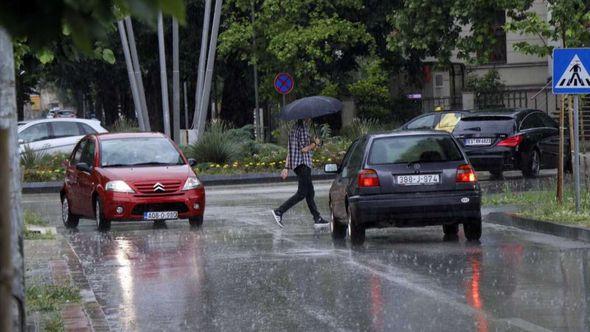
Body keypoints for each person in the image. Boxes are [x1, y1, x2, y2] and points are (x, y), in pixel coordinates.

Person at [271, 118, 328, 228]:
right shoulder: (302, 129)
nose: (310, 118)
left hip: (298, 165)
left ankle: (317, 217)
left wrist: (286, 167)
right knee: (302, 193)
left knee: (310, 193)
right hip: (303, 165)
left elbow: (291, 150)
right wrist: (315, 143)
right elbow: (304, 149)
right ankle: (279, 211)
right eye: (309, 116)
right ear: (305, 117)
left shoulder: (294, 129)